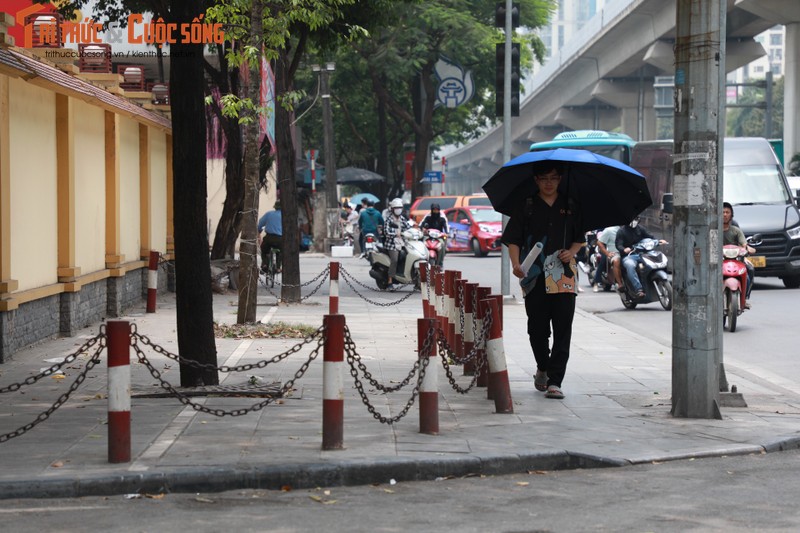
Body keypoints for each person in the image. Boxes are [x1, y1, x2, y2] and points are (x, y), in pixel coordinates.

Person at [502, 162, 584, 400]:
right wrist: (516, 265)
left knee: (562, 329)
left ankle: (555, 381)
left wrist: (572, 251)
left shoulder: (571, 205)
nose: (549, 182)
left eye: (554, 178)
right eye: (544, 178)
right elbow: (513, 240)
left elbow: (580, 238)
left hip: (564, 276)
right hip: (535, 277)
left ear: (560, 179)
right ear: (536, 180)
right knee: (537, 330)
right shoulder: (526, 206)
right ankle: (543, 366)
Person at [615, 216, 666, 299]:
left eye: (636, 219)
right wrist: (624, 249)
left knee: (656, 257)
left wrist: (658, 240)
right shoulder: (621, 231)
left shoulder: (640, 228)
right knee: (630, 265)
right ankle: (638, 289)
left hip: (643, 253)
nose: (634, 221)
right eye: (633, 219)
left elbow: (650, 236)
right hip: (630, 255)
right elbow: (618, 245)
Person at [723, 202, 755, 307]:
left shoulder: (736, 231)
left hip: (736, 259)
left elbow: (744, 243)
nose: (725, 214)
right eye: (722, 212)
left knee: (750, 269)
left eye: (727, 212)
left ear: (731, 215)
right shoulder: (714, 230)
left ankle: (744, 298)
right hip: (719, 260)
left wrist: (747, 248)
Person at [383, 198, 412, 290]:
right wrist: (395, 234)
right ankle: (390, 281)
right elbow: (386, 232)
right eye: (396, 208)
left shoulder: (402, 219)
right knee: (394, 260)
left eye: (400, 207)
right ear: (392, 209)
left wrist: (415, 229)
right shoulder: (388, 220)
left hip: (402, 243)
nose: (398, 209)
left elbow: (408, 228)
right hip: (391, 244)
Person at [258, 201, 282, 273]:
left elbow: (260, 223)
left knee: (264, 250)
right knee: (281, 251)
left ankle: (265, 264)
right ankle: (278, 267)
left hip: (269, 238)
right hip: (280, 239)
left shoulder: (269, 214)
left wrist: (259, 230)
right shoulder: (285, 215)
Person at [594, 225, 620, 292]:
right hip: (605, 248)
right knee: (603, 260)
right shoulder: (606, 229)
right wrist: (607, 253)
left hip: (618, 250)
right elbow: (599, 240)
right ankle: (596, 282)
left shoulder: (621, 229)